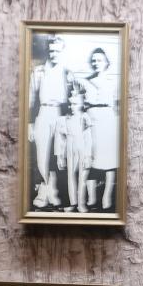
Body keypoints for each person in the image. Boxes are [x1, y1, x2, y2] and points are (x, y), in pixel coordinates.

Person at [27, 34, 69, 211]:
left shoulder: (67, 73)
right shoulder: (38, 72)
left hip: (61, 114)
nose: (54, 54)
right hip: (43, 113)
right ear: (48, 52)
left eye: (57, 51)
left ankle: (53, 190)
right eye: (51, 51)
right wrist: (30, 124)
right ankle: (43, 192)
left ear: (62, 52)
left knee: (56, 155)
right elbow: (30, 99)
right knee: (42, 155)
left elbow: (73, 98)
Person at [80, 46, 119, 211]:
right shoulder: (85, 81)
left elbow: (118, 104)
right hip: (90, 120)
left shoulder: (113, 82)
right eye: (94, 60)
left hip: (108, 120)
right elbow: (81, 102)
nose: (96, 63)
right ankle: (91, 198)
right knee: (90, 158)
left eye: (100, 60)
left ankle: (106, 197)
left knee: (109, 160)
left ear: (106, 62)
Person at [53, 79, 93, 212]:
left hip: (82, 148)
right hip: (70, 148)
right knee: (71, 176)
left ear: (82, 103)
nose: (72, 106)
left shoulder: (85, 118)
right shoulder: (64, 119)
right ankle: (73, 202)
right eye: (70, 104)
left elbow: (88, 139)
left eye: (75, 103)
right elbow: (60, 139)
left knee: (82, 177)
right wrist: (60, 156)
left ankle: (81, 203)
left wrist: (88, 155)